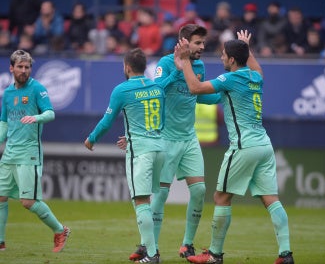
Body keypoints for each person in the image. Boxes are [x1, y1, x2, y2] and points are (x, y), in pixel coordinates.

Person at [173, 30, 294, 264]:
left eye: (223, 55)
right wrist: (246, 48)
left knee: (220, 197)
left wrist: (186, 60)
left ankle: (215, 255)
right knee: (271, 199)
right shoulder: (255, 77)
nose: (220, 58)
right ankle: (286, 254)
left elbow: (195, 88)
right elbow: (259, 70)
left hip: (244, 146)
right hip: (264, 145)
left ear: (231, 60)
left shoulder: (231, 79)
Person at [127, 24, 220, 262]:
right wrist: (177, 71)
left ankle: (187, 244)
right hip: (165, 139)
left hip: (189, 138)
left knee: (199, 191)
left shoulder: (199, 65)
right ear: (183, 42)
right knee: (159, 196)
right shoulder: (165, 64)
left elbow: (197, 94)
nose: (202, 47)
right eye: (198, 42)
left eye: (203, 42)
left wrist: (224, 91)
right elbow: (155, 90)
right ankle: (150, 249)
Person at [84, 48, 165, 263]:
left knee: (141, 202)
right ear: (145, 67)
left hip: (141, 152)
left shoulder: (122, 90)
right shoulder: (158, 87)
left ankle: (152, 254)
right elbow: (158, 122)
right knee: (147, 200)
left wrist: (91, 139)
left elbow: (107, 121)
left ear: (127, 67)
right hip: (160, 148)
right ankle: (147, 248)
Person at [0, 49, 70, 253]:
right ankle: (1, 242)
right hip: (10, 152)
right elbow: (4, 122)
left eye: (27, 67)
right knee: (0, 197)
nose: (24, 70)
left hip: (29, 152)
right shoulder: (8, 93)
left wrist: (36, 118)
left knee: (28, 202)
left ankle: (60, 230)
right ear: (11, 68)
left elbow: (50, 113)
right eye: (20, 67)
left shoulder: (37, 89)